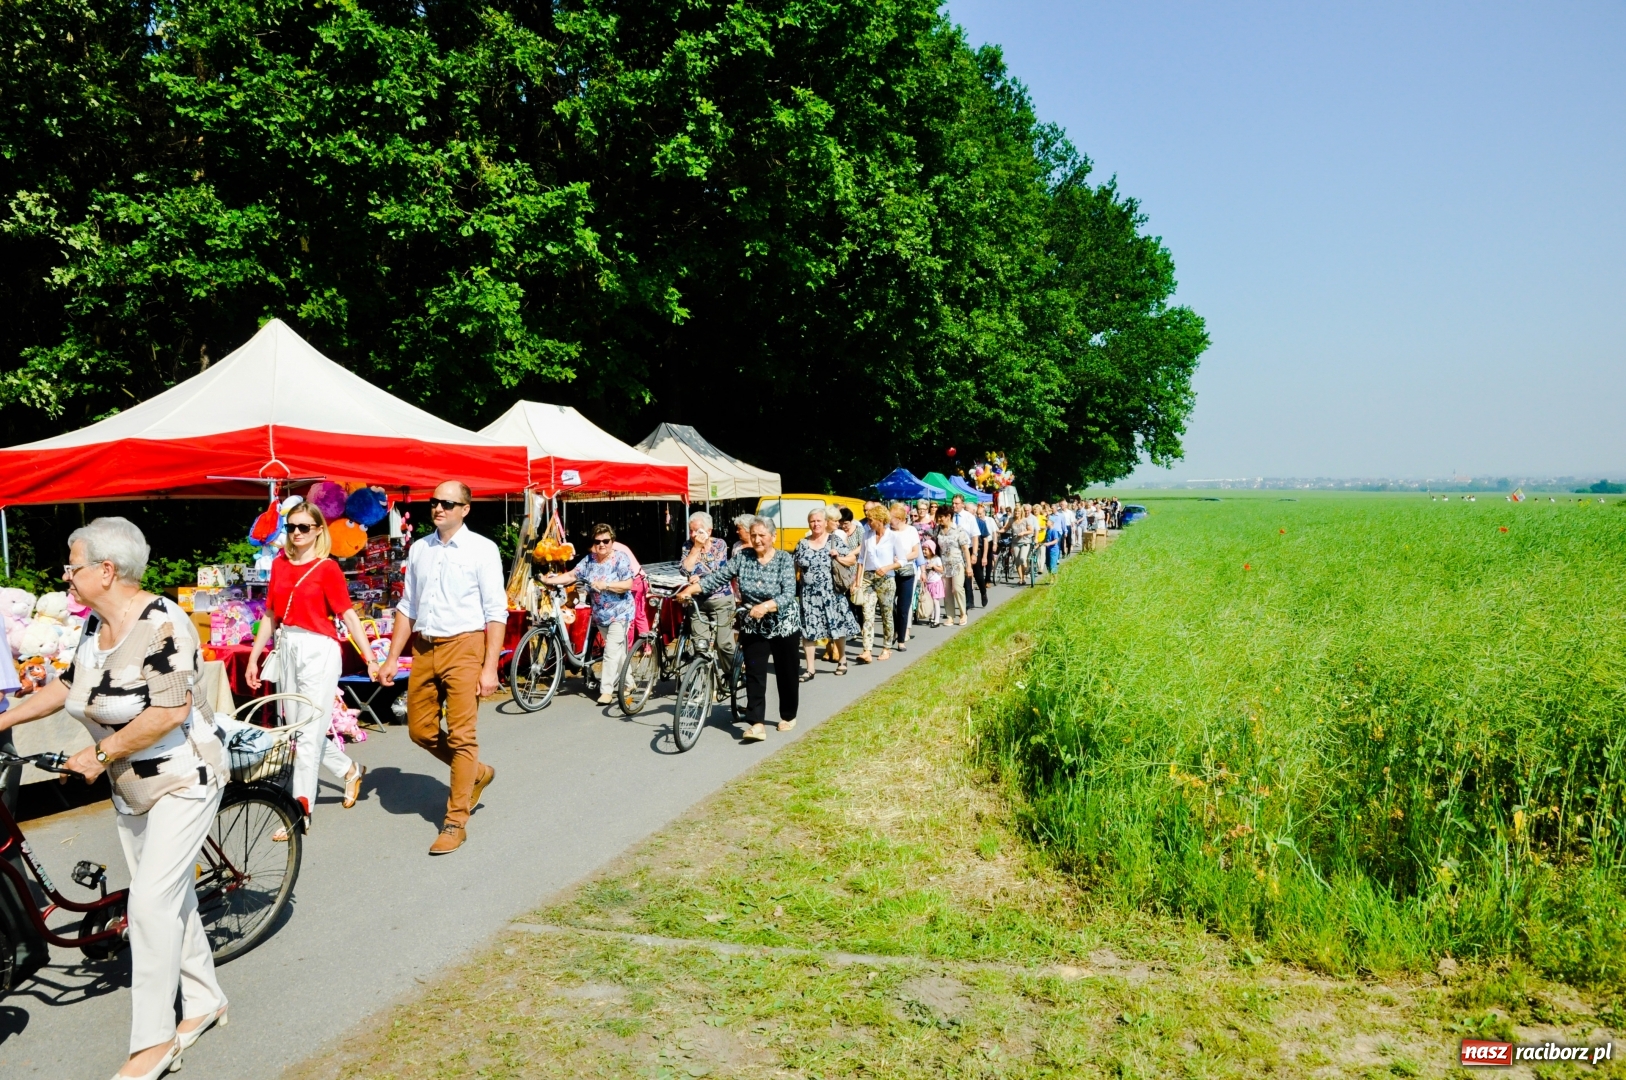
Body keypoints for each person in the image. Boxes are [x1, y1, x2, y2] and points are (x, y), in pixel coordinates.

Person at [0, 518, 229, 1079]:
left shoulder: (163, 623)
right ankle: (205, 1001)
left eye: (72, 566)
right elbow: (68, 685)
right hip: (130, 786)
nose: (65, 576)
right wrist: (3, 720)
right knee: (171, 899)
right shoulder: (94, 625)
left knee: (148, 906)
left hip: (183, 777)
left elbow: (171, 711)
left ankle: (153, 1042)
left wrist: (98, 754)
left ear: (106, 570)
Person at [377, 481, 504, 856]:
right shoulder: (420, 548)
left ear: (465, 509)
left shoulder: (482, 549)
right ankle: (476, 772)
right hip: (425, 647)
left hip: (464, 646)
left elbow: (495, 612)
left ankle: (455, 822)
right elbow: (408, 606)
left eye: (448, 503)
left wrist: (489, 668)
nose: (439, 508)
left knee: (462, 737)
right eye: (434, 502)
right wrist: (392, 657)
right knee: (420, 730)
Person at [245, 500, 371, 840]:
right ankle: (349, 769)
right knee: (296, 731)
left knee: (306, 733)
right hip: (287, 646)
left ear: (318, 530)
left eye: (304, 527)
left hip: (319, 650)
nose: (297, 533)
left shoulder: (327, 568)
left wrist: (370, 656)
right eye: (291, 527)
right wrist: (255, 656)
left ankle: (298, 812)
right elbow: (270, 614)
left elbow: (347, 614)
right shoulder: (279, 564)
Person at [676, 517, 800, 742]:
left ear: (773, 537)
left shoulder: (783, 559)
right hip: (753, 624)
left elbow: (788, 593)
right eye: (753, 535)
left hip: (783, 624)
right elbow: (718, 578)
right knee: (754, 673)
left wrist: (766, 606)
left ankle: (788, 715)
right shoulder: (743, 557)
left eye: (762, 535)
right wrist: (691, 590)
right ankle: (756, 723)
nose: (757, 539)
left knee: (786, 673)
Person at [542, 523, 638, 706]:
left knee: (610, 651)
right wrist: (549, 580)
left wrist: (606, 585)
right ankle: (629, 682)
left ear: (612, 541)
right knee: (617, 652)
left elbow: (628, 584)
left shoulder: (620, 558)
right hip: (600, 614)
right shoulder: (589, 560)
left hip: (620, 612)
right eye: (597, 541)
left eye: (606, 541)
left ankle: (606, 690)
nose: (602, 545)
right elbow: (572, 575)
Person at [794, 506, 858, 678]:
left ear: (825, 522)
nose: (815, 524)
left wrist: (838, 557)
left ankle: (842, 659)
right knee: (808, 631)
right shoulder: (802, 543)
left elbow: (852, 560)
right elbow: (795, 567)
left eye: (818, 521)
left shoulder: (834, 541)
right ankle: (810, 669)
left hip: (831, 594)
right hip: (808, 596)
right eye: (812, 521)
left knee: (836, 627)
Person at [679, 511, 735, 674]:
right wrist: (696, 548)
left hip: (721, 600)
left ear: (709, 531)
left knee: (723, 644)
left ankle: (732, 674)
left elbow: (719, 572)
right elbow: (684, 570)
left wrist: (700, 577)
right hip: (697, 602)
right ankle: (703, 680)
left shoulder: (720, 544)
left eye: (697, 531)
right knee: (700, 645)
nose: (693, 534)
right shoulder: (688, 546)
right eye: (691, 530)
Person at [856, 503, 902, 661]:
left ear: (880, 520)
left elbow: (902, 560)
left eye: (871, 520)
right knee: (867, 614)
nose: (868, 523)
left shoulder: (893, 537)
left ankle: (887, 647)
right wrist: (858, 581)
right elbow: (861, 559)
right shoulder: (866, 535)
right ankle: (867, 650)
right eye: (868, 519)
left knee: (886, 614)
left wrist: (888, 567)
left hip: (886, 578)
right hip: (868, 578)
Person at [935, 506, 973, 625]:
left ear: (948, 516)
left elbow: (965, 549)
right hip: (944, 565)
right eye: (938, 517)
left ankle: (963, 613)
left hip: (957, 564)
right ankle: (950, 616)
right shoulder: (938, 531)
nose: (939, 519)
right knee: (946, 591)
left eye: (941, 517)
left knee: (957, 588)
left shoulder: (958, 530)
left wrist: (969, 566)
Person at [951, 495, 980, 611]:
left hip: (966, 549)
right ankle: (956, 603)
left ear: (962, 504)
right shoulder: (950, 516)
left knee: (967, 576)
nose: (954, 505)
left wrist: (974, 553)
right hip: (953, 550)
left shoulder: (969, 517)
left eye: (956, 503)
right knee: (954, 577)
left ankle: (968, 602)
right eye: (953, 503)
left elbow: (975, 536)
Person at [971, 501, 994, 605]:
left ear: (973, 511)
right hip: (966, 549)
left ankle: (983, 592)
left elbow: (985, 540)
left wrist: (984, 556)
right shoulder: (962, 522)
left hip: (978, 550)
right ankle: (969, 600)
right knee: (966, 575)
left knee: (978, 575)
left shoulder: (980, 523)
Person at [921, 537, 946, 626]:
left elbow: (941, 570)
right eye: (923, 549)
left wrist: (934, 566)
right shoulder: (924, 560)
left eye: (926, 549)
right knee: (930, 601)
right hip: (928, 583)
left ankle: (937, 620)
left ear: (931, 550)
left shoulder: (936, 559)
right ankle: (932, 617)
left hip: (935, 583)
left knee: (935, 601)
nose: (924, 551)